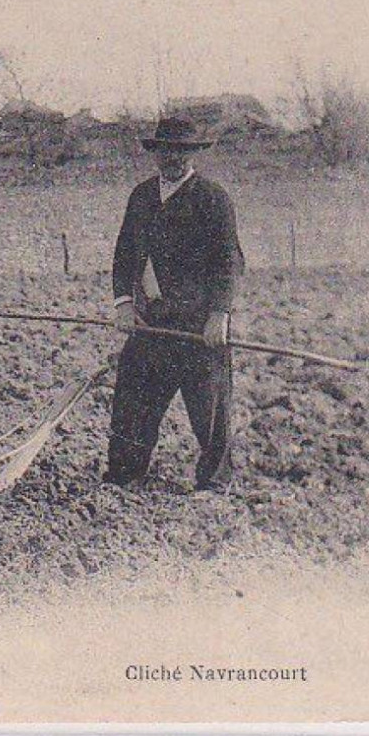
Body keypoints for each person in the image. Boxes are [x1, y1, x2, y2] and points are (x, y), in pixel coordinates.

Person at [104, 115, 245, 492]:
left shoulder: (213, 199)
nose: (174, 159)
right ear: (156, 154)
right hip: (152, 322)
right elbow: (124, 255)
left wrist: (219, 315)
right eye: (167, 151)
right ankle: (124, 478)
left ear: (195, 154)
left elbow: (229, 261)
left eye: (183, 152)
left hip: (199, 326)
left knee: (209, 410)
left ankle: (215, 484)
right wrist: (123, 303)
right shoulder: (142, 197)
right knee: (133, 399)